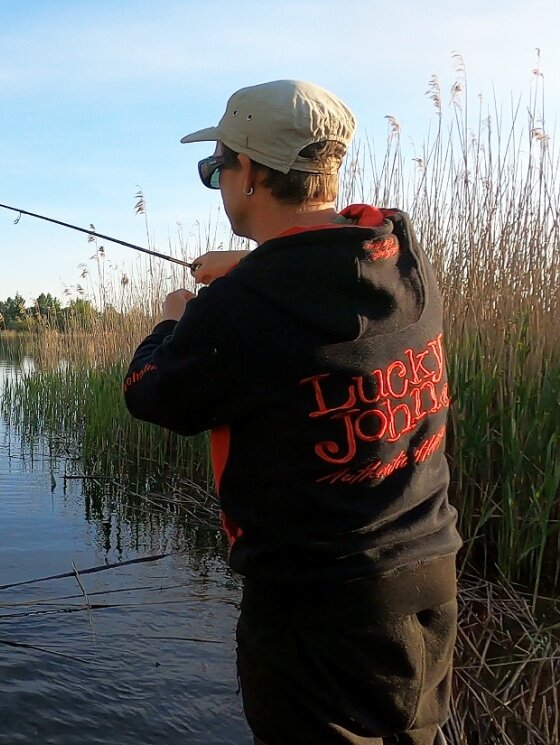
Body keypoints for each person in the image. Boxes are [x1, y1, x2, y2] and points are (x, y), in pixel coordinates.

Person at [123, 80, 461, 745]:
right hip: (429, 592)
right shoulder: (403, 257)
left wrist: (173, 320)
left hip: (314, 617)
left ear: (249, 172)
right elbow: (322, 295)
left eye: (216, 166)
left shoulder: (240, 313)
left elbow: (148, 390)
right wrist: (254, 269)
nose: (216, 180)